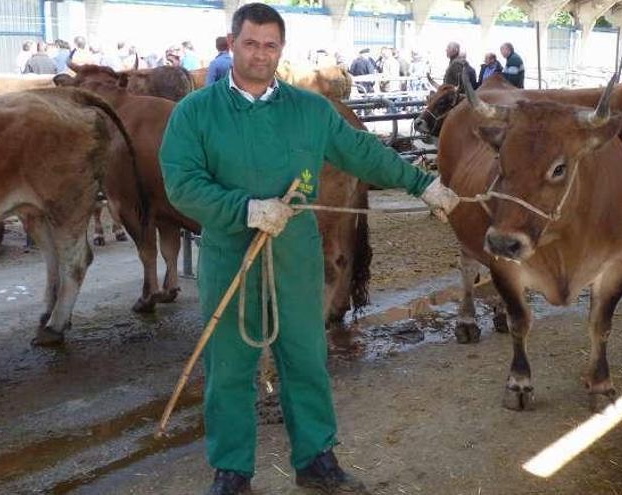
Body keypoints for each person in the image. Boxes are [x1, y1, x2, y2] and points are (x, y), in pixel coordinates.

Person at [158, 4, 459, 494]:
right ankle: (232, 469)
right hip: (231, 256)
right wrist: (245, 209)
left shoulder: (310, 110)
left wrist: (421, 183)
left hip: (295, 256)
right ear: (231, 43)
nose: (260, 54)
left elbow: (362, 152)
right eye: (251, 43)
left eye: (270, 45)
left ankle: (316, 459)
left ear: (281, 49)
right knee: (229, 365)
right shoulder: (196, 113)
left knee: (305, 357)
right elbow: (182, 184)